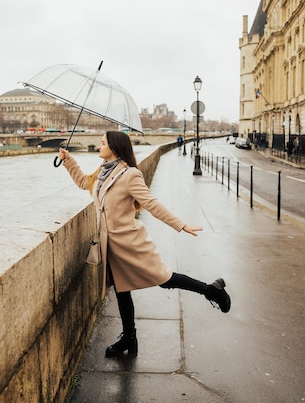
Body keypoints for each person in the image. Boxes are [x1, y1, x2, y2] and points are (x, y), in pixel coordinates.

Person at [59, 130, 231, 358]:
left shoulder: (130, 175)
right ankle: (129, 338)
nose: (99, 146)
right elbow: (83, 182)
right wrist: (68, 160)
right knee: (122, 291)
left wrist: (182, 225)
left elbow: (152, 204)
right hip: (110, 244)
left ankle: (212, 291)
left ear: (115, 147)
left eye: (103, 143)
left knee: (165, 279)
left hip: (131, 243)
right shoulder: (103, 171)